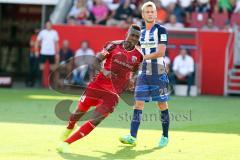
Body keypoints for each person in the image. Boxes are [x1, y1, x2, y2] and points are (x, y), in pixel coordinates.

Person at [57, 24, 143, 153]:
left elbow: (135, 70)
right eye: (132, 34)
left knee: (96, 119)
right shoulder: (112, 45)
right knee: (78, 112)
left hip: (113, 93)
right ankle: (70, 127)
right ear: (127, 34)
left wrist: (131, 79)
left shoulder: (139, 55)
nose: (134, 38)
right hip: (97, 85)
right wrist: (104, 71)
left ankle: (67, 143)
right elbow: (95, 61)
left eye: (137, 36)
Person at [119, 1, 170, 148]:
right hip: (143, 73)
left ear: (155, 14)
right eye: (147, 12)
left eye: (152, 11)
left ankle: (165, 136)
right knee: (138, 104)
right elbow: (135, 53)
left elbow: (161, 52)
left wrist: (142, 58)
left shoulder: (161, 30)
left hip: (158, 72)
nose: (150, 14)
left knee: (161, 104)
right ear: (143, 15)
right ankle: (132, 137)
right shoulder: (139, 33)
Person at [35, 21, 59, 86]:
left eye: (49, 25)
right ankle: (39, 83)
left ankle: (51, 83)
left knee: (52, 69)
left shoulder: (54, 33)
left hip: (52, 53)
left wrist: (57, 53)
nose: (48, 26)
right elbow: (37, 42)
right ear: (45, 25)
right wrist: (36, 51)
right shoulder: (42, 32)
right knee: (41, 68)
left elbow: (56, 44)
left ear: (51, 25)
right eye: (47, 25)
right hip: (43, 52)